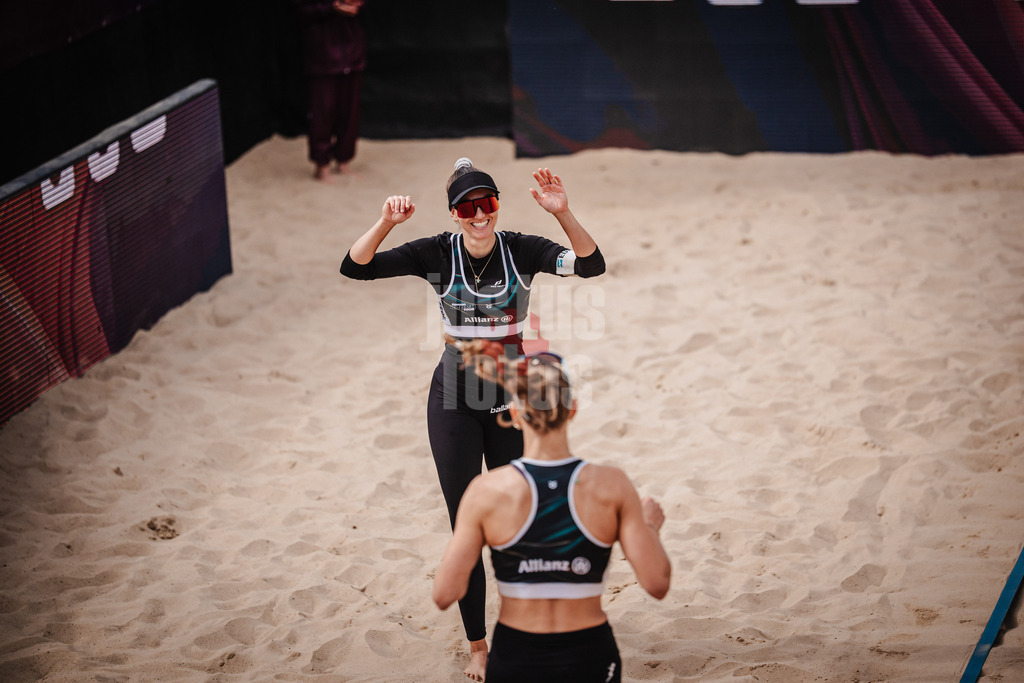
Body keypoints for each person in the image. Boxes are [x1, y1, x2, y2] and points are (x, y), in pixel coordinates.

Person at [340, 158, 605, 679]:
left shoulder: (522, 249)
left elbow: (590, 265)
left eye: (488, 203)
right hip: (454, 400)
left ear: (498, 205)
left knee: (514, 522)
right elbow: (356, 266)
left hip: (509, 401)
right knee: (468, 527)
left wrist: (564, 213)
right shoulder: (437, 252)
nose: (479, 214)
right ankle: (478, 646)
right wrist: (388, 223)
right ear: (455, 213)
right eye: (468, 206)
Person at [432, 342, 672, 682]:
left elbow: (444, 593)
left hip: (517, 656)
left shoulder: (486, 493)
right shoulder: (611, 485)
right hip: (589, 656)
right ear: (572, 409)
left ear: (514, 414)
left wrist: (475, 530)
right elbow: (657, 584)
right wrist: (649, 526)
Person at [293, 0, 366, 181]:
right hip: (322, 53)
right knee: (322, 112)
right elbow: (300, 9)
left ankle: (343, 160)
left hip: (351, 51)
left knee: (349, 112)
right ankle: (322, 165)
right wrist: (332, 7)